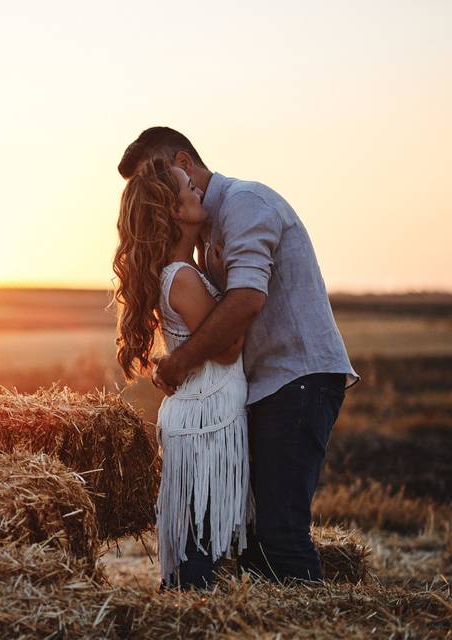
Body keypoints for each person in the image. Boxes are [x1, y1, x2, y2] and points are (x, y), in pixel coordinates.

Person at [117, 127, 359, 583]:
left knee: (278, 530)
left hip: (295, 379)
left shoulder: (246, 205)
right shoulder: (198, 243)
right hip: (255, 391)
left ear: (184, 163)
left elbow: (246, 300)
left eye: (160, 173)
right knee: (253, 533)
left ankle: (307, 623)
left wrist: (179, 361)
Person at [111, 156, 252, 589]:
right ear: (175, 212)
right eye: (187, 187)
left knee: (200, 540)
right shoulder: (182, 278)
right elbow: (228, 349)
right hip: (205, 424)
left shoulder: (181, 272)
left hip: (202, 417)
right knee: (199, 550)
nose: (196, 188)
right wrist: (234, 283)